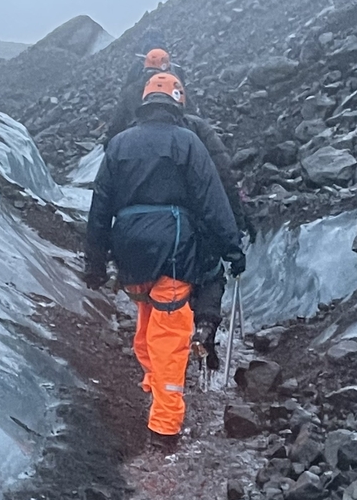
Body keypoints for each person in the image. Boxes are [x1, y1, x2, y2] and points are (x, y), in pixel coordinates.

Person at [84, 73, 246, 450]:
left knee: (145, 327)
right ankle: (164, 429)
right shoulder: (187, 142)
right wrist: (232, 248)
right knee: (170, 337)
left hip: (130, 254)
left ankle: (154, 389)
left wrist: (95, 262)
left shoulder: (120, 144)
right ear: (178, 103)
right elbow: (213, 200)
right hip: (174, 250)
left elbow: (99, 209)